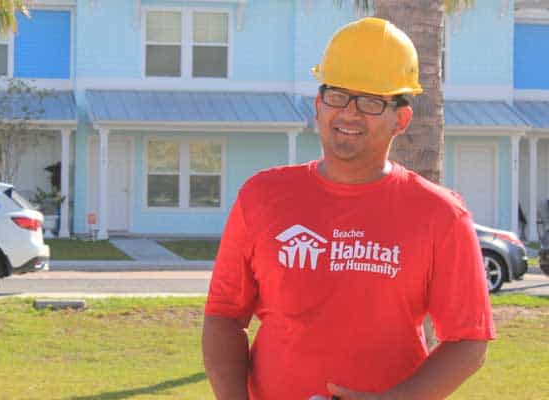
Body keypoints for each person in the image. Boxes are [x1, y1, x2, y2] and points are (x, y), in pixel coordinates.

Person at [203, 17, 495, 400]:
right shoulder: (262, 196)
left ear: (401, 119)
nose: (349, 113)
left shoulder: (440, 215)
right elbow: (224, 314)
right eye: (337, 95)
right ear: (318, 104)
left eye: (371, 101)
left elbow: (469, 341)